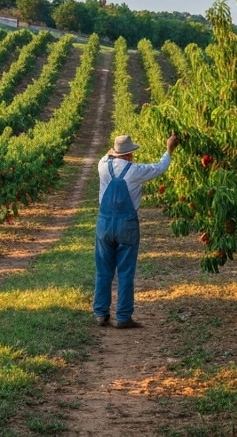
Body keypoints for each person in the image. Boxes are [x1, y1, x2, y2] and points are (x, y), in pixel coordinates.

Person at [93, 131, 179, 329]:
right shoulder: (135, 170)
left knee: (103, 271)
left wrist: (112, 153)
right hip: (127, 225)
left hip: (104, 224)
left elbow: (106, 156)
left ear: (115, 153)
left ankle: (100, 312)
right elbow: (160, 167)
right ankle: (123, 317)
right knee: (125, 272)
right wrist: (169, 148)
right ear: (130, 155)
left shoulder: (102, 165)